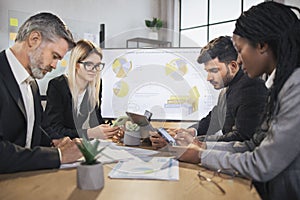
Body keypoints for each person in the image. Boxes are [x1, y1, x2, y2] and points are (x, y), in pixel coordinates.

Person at [177, 2, 300, 199]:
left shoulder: (294, 89)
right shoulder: (280, 85)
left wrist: (201, 154)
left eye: (241, 49)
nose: (240, 60)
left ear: (261, 45)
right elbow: (254, 145)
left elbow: (261, 163)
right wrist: (203, 148)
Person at [0, 12, 82, 173]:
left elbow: (35, 129)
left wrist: (55, 142)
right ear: (34, 39)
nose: (54, 66)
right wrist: (58, 155)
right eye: (54, 56)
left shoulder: (32, 84)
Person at [150, 36, 267, 148]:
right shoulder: (227, 89)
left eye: (214, 70)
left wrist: (194, 141)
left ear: (233, 66)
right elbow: (213, 119)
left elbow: (241, 138)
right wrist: (191, 131)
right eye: (208, 71)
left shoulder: (252, 88)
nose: (209, 78)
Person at [43, 39, 121, 139]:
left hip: (78, 144)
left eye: (98, 65)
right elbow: (54, 130)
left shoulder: (96, 85)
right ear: (76, 64)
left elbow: (96, 123)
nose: (94, 70)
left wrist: (112, 131)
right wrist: (89, 133)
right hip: (60, 146)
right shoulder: (58, 85)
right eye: (89, 65)